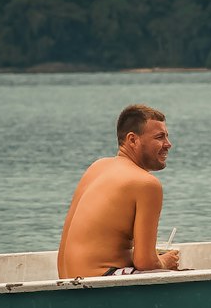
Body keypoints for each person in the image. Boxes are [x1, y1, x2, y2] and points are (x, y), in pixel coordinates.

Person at [57, 104, 181, 279]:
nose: (168, 144)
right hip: (99, 281)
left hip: (68, 280)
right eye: (160, 137)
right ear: (132, 140)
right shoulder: (146, 184)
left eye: (167, 136)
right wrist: (165, 262)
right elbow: (145, 262)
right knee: (179, 274)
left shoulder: (97, 167)